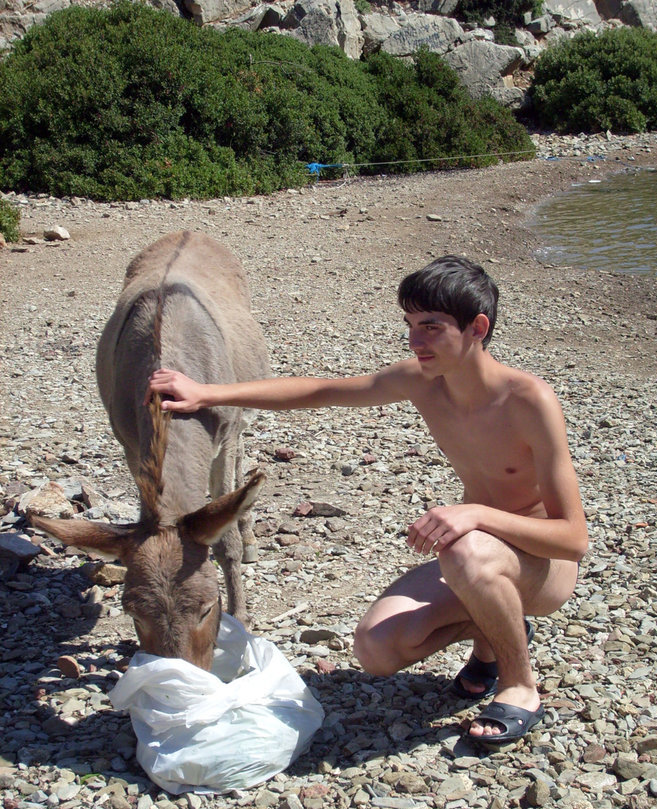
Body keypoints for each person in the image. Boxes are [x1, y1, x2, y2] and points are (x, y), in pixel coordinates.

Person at [146, 256, 587, 745]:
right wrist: (207, 393)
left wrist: (477, 512)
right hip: (479, 558)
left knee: (463, 548)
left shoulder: (529, 402)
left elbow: (573, 540)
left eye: (431, 328)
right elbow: (322, 390)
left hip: (542, 566)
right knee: (377, 649)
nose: (415, 342)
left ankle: (520, 685)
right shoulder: (422, 381)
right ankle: (497, 635)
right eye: (410, 326)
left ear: (477, 327)